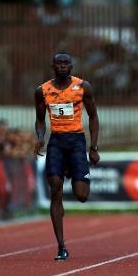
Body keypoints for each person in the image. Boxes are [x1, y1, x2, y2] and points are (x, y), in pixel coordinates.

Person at [34, 52, 100, 261]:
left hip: (76, 141)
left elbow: (93, 116)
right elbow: (39, 119)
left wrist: (94, 147)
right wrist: (40, 137)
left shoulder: (83, 87)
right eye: (59, 63)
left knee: (81, 195)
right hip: (56, 142)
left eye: (66, 63)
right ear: (52, 66)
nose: (62, 66)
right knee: (55, 190)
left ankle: (73, 171)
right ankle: (61, 246)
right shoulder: (42, 90)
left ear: (71, 66)